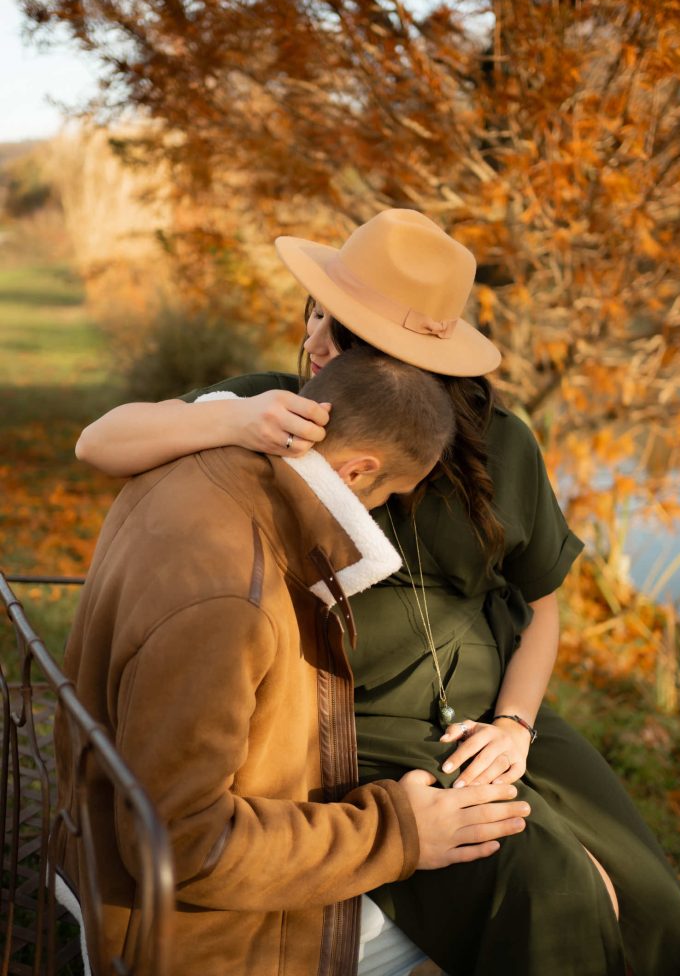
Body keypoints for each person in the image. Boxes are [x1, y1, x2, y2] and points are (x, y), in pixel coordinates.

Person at [76, 210, 680, 976]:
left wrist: (515, 724)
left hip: (493, 710)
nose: (312, 343)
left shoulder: (505, 444)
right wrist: (238, 419)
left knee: (649, 904)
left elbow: (542, 605)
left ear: (401, 359)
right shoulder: (284, 405)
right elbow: (100, 441)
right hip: (361, 722)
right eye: (314, 313)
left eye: (335, 332)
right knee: (560, 892)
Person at [56, 345, 531, 976]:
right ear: (360, 471)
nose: (381, 512)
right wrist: (402, 831)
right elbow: (182, 847)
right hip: (172, 931)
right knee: (489, 914)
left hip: (88, 843)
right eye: (389, 493)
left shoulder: (196, 466)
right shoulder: (232, 597)